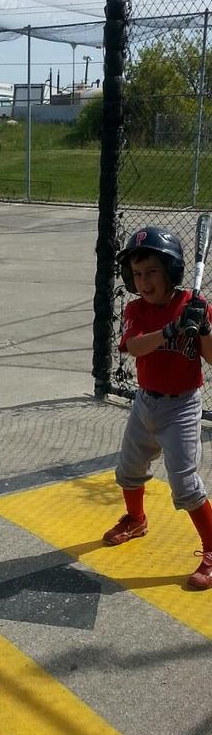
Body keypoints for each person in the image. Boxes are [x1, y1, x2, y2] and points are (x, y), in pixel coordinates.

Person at [103, 225, 212, 588]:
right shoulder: (136, 309)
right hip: (145, 402)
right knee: (129, 468)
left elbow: (211, 358)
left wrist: (204, 327)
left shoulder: (194, 307)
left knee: (184, 483)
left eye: (152, 271)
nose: (144, 281)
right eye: (137, 274)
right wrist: (170, 330)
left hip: (181, 407)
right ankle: (136, 519)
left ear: (171, 272)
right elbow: (134, 347)